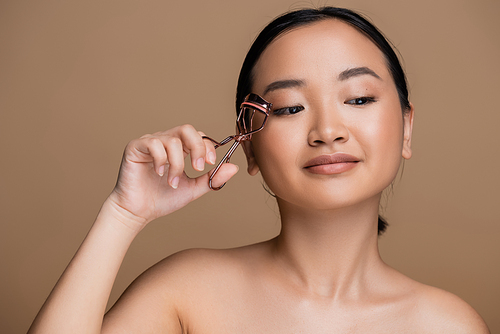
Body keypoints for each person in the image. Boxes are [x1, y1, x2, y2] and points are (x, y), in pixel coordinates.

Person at [28, 7, 490, 333]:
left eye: (359, 99)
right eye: (289, 108)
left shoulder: (447, 324)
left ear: (406, 128)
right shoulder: (189, 292)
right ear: (248, 146)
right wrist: (123, 214)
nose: (328, 131)